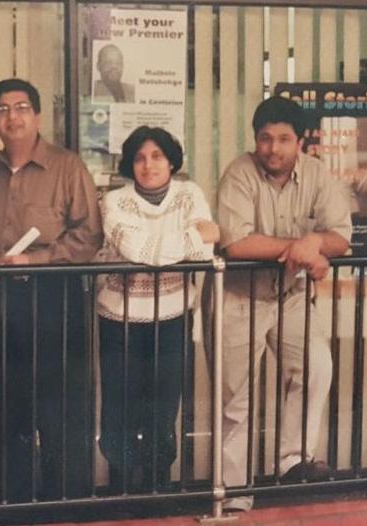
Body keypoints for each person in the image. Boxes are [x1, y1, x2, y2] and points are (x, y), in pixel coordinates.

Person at [0, 78, 103, 501]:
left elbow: (89, 236)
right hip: (0, 301)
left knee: (62, 405)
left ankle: (68, 501)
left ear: (38, 116)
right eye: (3, 109)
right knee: (8, 404)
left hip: (53, 296)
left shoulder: (67, 167)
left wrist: (36, 260)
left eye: (22, 107)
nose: (13, 117)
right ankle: (15, 500)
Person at [218, 96, 351, 512]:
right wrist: (304, 248)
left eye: (283, 139)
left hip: (290, 295)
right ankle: (234, 493)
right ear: (255, 139)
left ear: (301, 142)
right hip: (239, 295)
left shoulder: (316, 173)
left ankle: (292, 462)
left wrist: (315, 242)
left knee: (316, 367)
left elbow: (340, 235)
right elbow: (237, 243)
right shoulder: (239, 172)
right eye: (265, 138)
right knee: (236, 398)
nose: (273, 148)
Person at [97, 126, 218, 493]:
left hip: (172, 320)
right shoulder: (114, 201)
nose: (148, 165)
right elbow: (139, 251)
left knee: (163, 414)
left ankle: (157, 492)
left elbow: (206, 252)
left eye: (157, 156)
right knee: (119, 411)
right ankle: (120, 492)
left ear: (171, 161)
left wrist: (172, 245)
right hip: (120, 322)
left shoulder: (189, 193)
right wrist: (193, 237)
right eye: (139, 158)